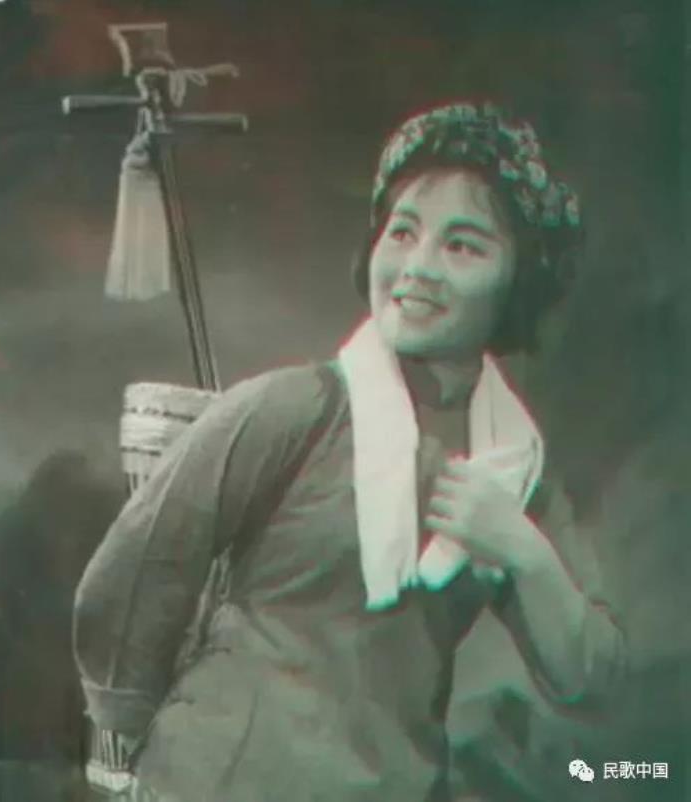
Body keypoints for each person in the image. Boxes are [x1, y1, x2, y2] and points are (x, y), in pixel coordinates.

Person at [73, 100, 627, 802]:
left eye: (462, 246)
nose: (417, 268)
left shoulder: (512, 472)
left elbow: (591, 678)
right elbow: (130, 576)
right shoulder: (292, 410)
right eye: (403, 231)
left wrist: (520, 548)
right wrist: (148, 740)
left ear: (520, 280)